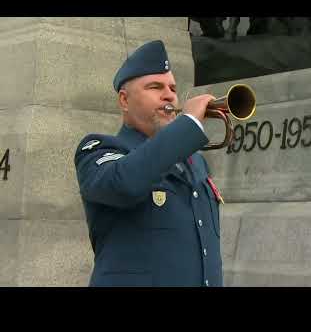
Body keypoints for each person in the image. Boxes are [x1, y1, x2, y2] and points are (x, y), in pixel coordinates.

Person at [74, 40, 224, 287]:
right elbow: (124, 183)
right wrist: (187, 125)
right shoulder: (99, 150)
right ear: (124, 100)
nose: (169, 95)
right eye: (155, 87)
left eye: (173, 88)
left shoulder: (194, 161)